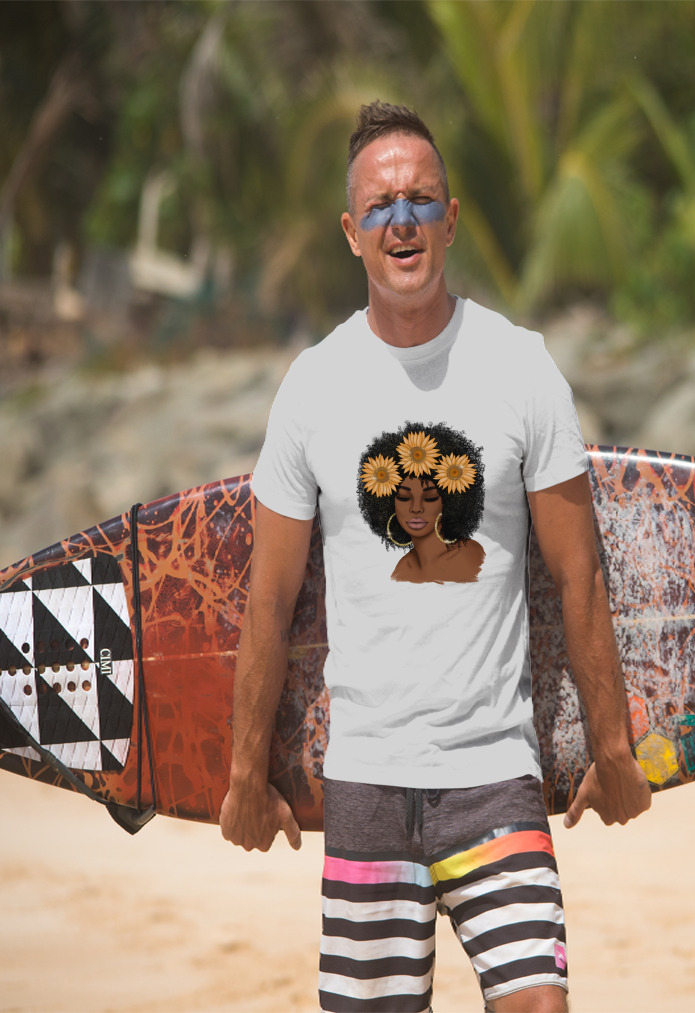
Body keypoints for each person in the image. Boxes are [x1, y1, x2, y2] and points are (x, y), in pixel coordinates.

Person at [220, 100, 651, 1013]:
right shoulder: (313, 387)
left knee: (540, 1003)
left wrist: (612, 746)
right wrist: (242, 772)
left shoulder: (521, 367)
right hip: (368, 780)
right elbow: (269, 600)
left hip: (495, 773)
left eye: (421, 200)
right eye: (380, 206)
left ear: (451, 219)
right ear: (351, 232)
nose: (402, 220)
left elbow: (579, 575)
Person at [358, 420, 486, 583]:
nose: (416, 508)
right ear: (388, 503)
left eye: (430, 498)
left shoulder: (473, 556)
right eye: (404, 498)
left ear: (451, 502)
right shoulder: (403, 569)